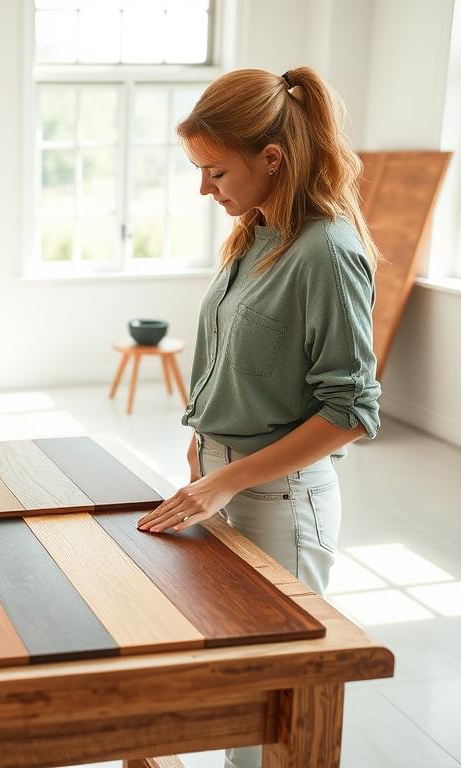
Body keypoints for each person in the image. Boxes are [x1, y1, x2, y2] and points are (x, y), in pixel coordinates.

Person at [135, 67, 381, 768]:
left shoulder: (327, 253)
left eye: (215, 172)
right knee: (238, 693)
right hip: (224, 484)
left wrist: (225, 479)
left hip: (279, 502)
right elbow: (235, 362)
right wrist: (202, 450)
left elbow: (352, 411)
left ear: (271, 158)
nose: (204, 189)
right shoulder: (253, 237)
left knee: (272, 718)